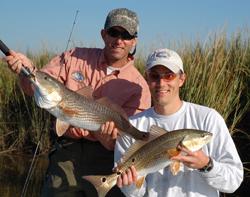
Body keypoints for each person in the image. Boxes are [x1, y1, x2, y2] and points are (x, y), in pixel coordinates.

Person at [5, 8, 151, 197]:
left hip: (107, 159)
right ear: (103, 34)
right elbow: (39, 84)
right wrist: (26, 70)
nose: (119, 40)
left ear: (134, 41)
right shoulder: (74, 56)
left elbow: (121, 144)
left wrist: (107, 137)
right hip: (66, 151)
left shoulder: (138, 86)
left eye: (127, 35)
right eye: (114, 32)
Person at [114, 48, 243, 197]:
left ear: (181, 79)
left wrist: (206, 165)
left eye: (169, 76)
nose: (161, 83)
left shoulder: (209, 118)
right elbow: (134, 194)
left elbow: (234, 180)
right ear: (147, 79)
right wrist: (130, 184)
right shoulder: (131, 126)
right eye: (154, 76)